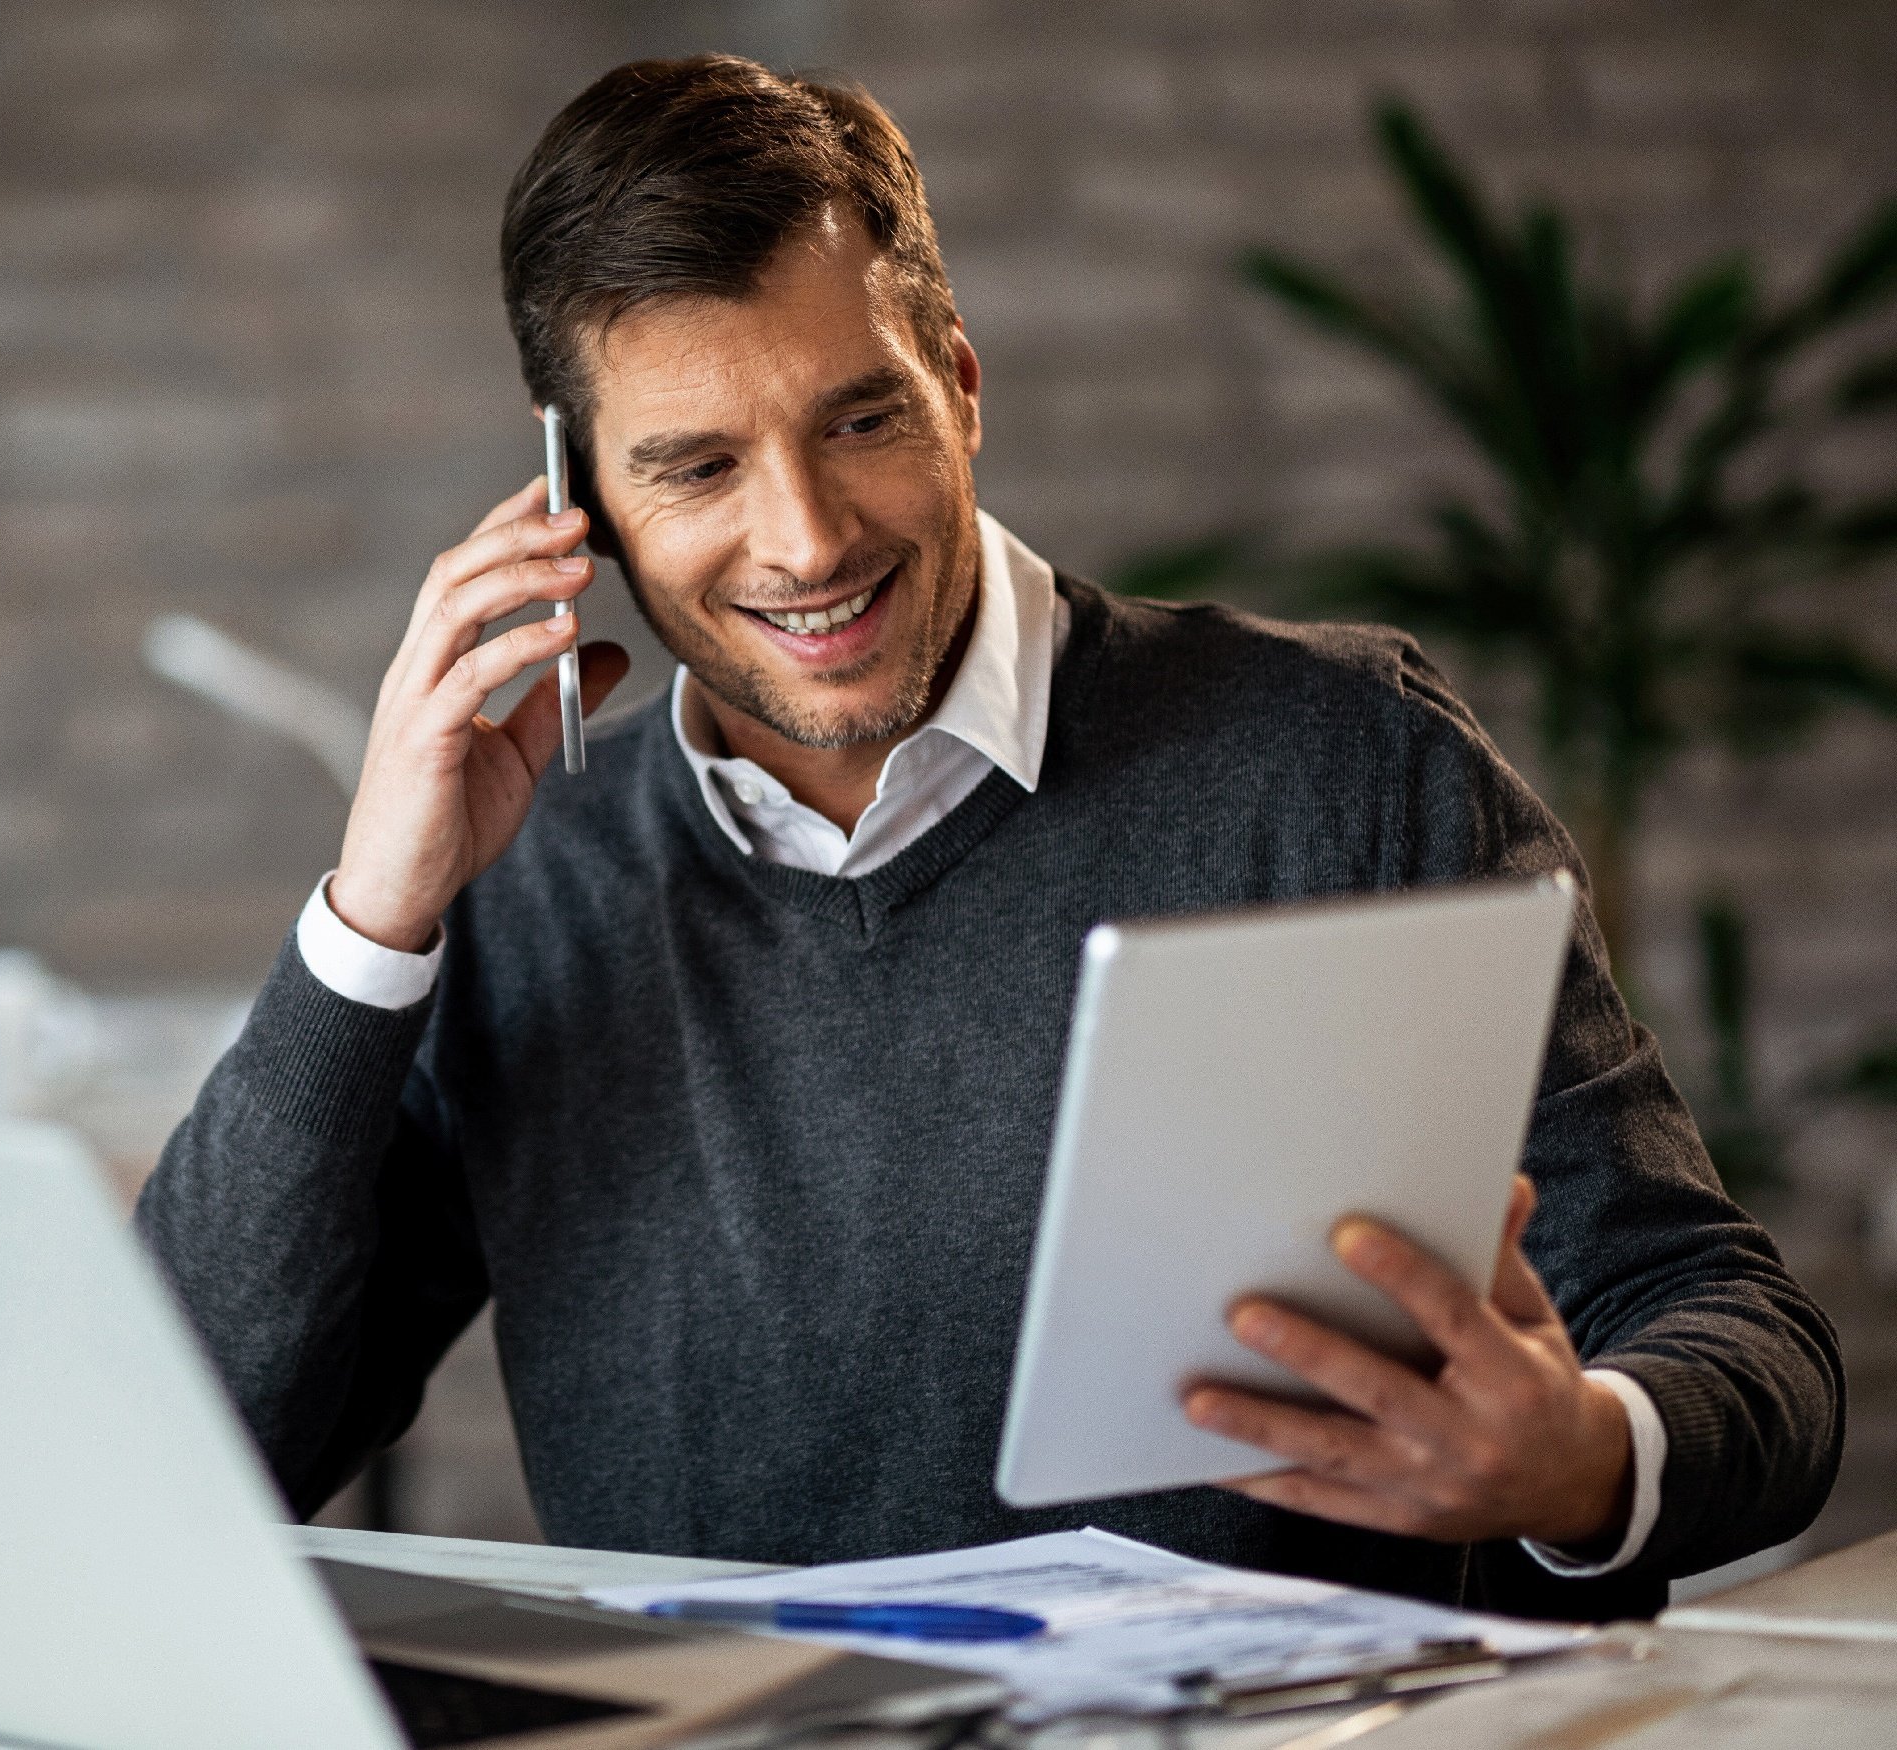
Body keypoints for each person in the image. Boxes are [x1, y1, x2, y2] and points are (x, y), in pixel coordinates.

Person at [136, 55, 1839, 1618]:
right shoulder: (527, 887)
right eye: (698, 466)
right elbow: (183, 1451)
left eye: (858, 420)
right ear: (579, 506)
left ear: (958, 383)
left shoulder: (1344, 764)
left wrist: (1586, 1456)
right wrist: (373, 915)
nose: (802, 539)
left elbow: (1745, 1341)